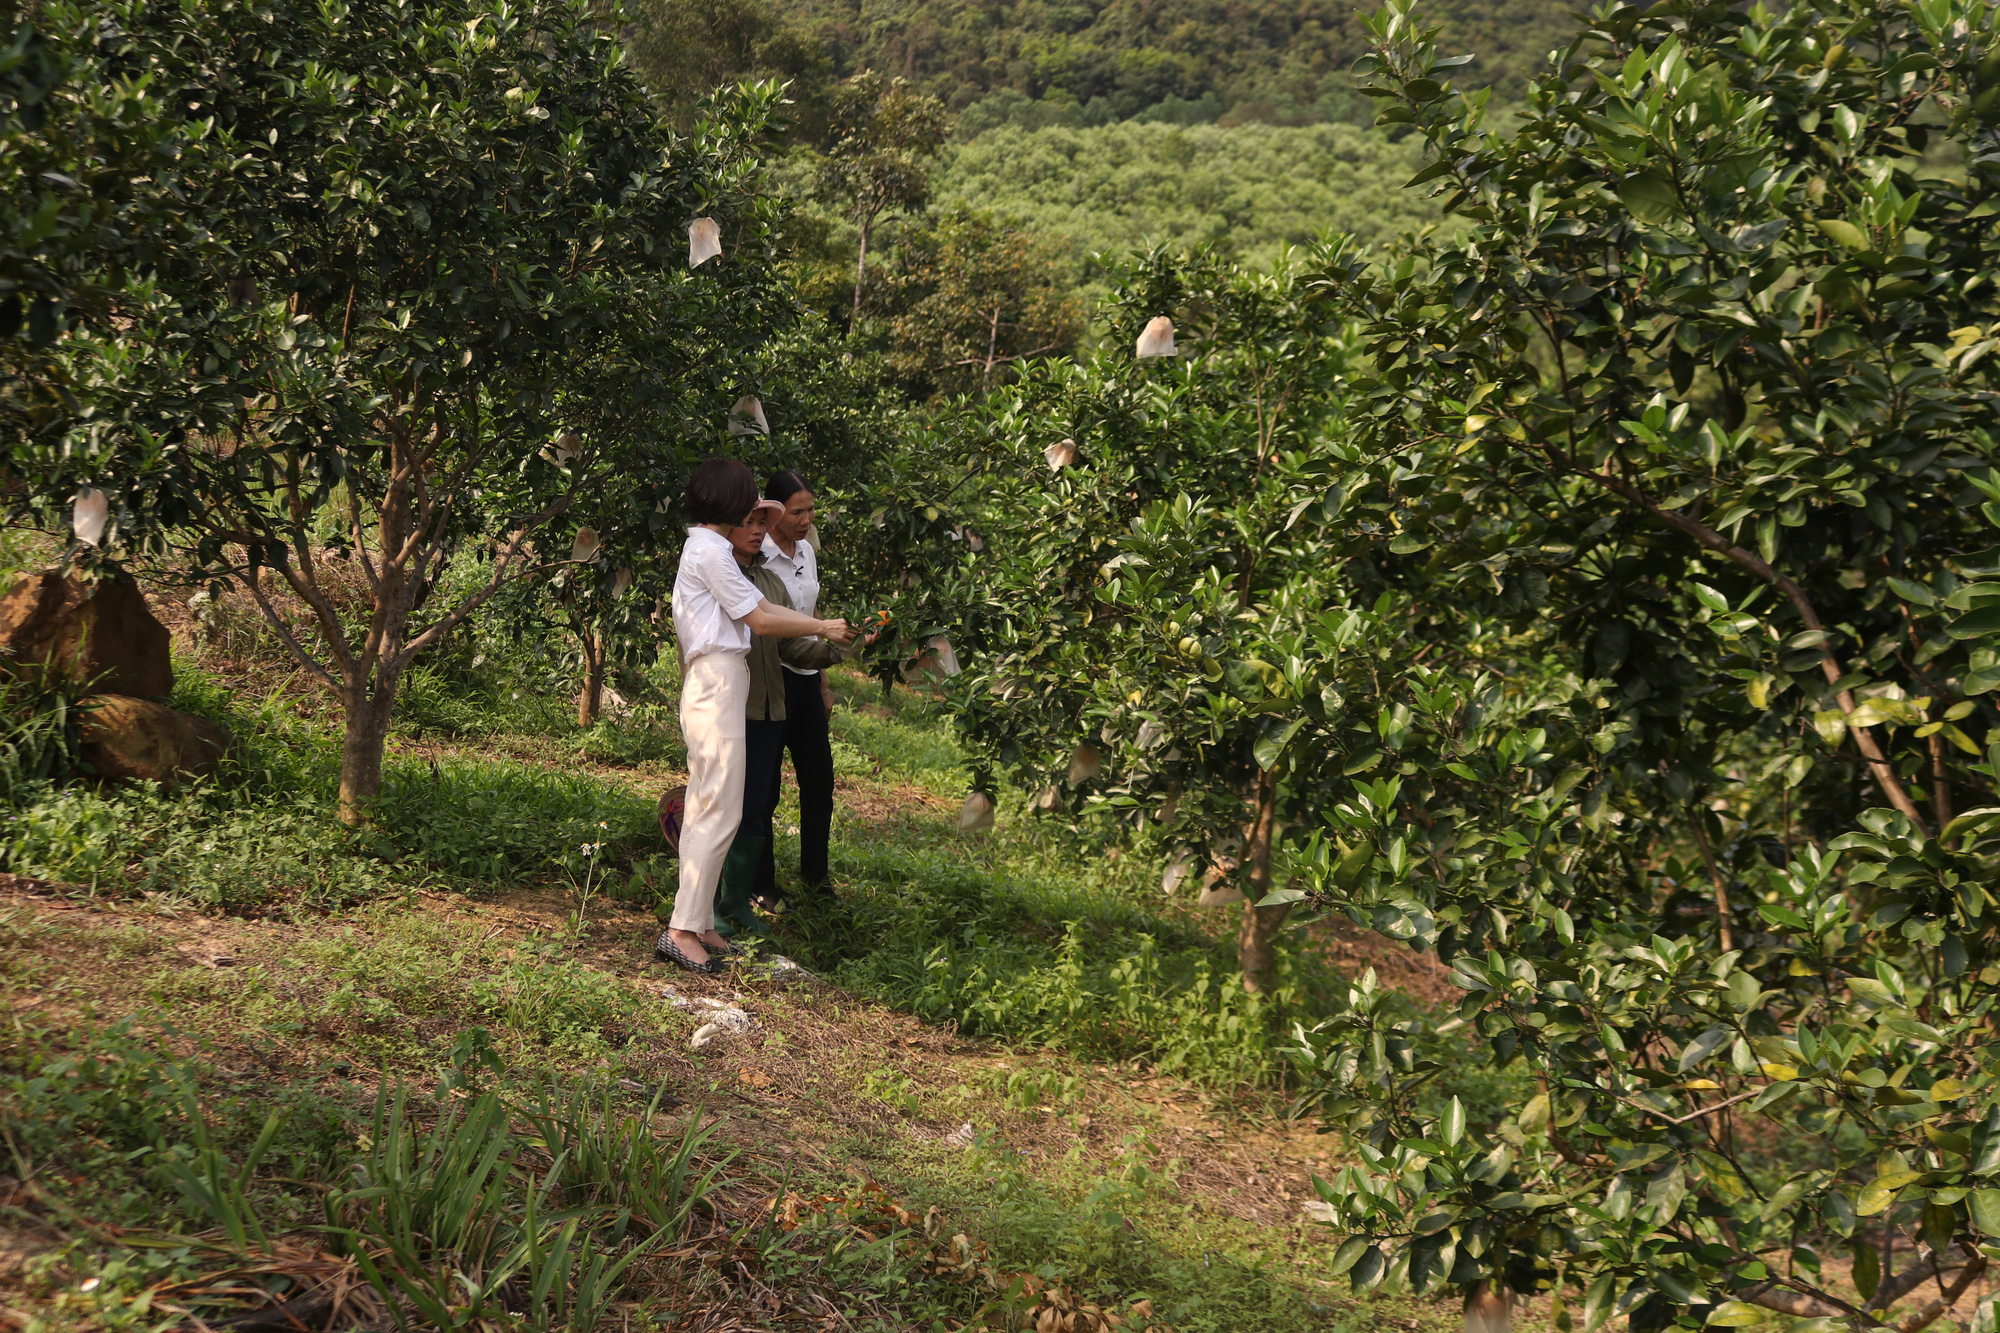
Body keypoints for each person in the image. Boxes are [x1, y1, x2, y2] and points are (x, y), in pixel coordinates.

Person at [658, 459, 852, 975]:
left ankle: (698, 923)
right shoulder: (711, 551)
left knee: (713, 807)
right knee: (718, 809)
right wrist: (823, 626)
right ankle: (682, 930)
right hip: (717, 681)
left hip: (725, 678)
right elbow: (762, 618)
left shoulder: (709, 548)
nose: (754, 510)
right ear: (726, 501)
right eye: (747, 498)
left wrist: (822, 631)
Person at [710, 499, 851, 936]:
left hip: (771, 706)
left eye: (760, 523)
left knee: (754, 805)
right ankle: (712, 900)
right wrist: (824, 627)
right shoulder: (717, 572)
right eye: (747, 522)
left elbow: (791, 648)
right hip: (732, 703)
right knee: (725, 805)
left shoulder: (768, 580)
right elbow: (762, 627)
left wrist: (840, 646)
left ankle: (736, 899)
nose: (757, 531)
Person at [755, 469, 842, 903]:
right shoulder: (757, 557)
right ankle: (763, 884)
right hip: (772, 680)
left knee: (819, 779)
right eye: (796, 512)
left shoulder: (807, 550)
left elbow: (813, 619)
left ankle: (816, 876)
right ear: (773, 513)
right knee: (766, 786)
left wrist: (823, 685)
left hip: (807, 676)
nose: (805, 519)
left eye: (810, 510)